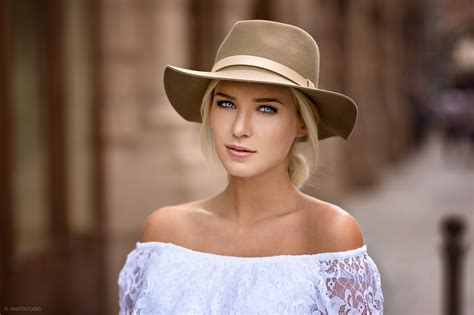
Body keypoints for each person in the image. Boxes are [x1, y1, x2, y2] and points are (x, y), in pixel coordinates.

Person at [118, 20, 384, 314]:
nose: (240, 128)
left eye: (266, 108)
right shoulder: (164, 233)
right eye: (226, 104)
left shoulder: (330, 233)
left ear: (300, 123)